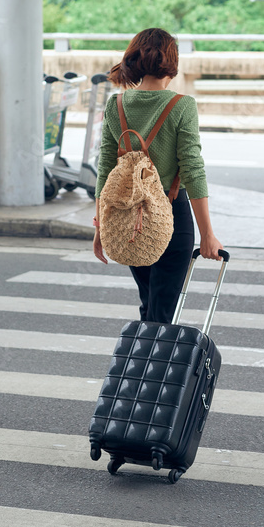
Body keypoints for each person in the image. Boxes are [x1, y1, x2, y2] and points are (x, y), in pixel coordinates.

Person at [93, 27, 223, 323]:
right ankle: (149, 368)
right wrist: (208, 236)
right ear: (172, 63)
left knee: (149, 303)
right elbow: (192, 170)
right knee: (163, 313)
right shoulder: (181, 106)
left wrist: (101, 226)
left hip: (125, 214)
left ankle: (137, 366)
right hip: (170, 215)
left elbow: (105, 171)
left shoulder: (116, 105)